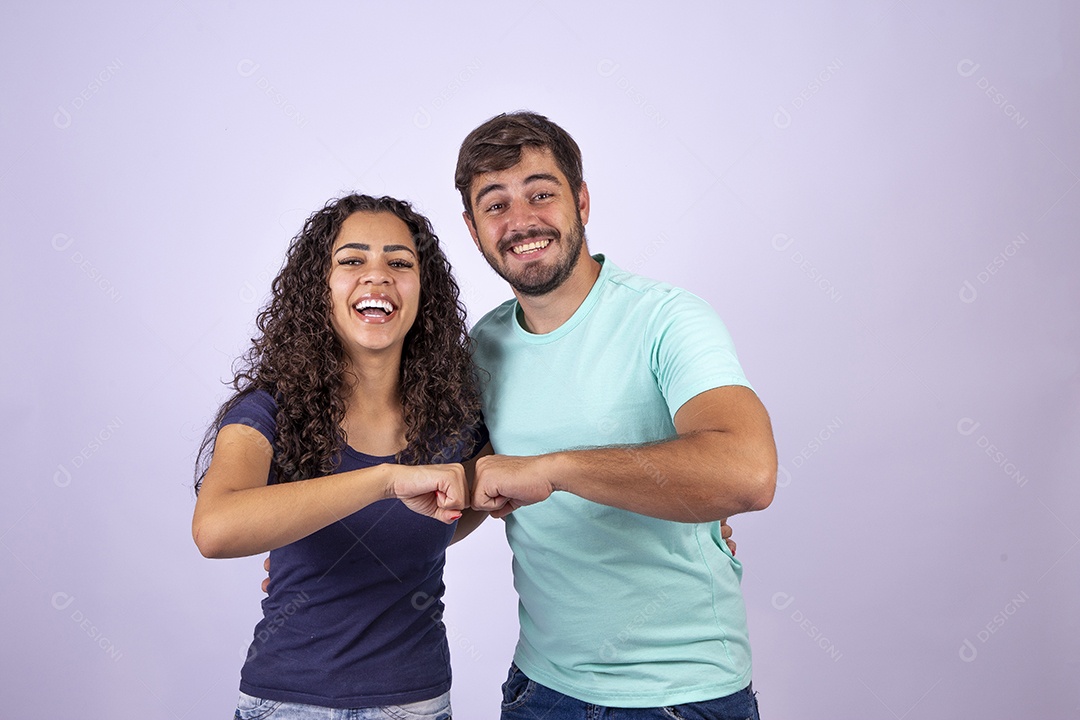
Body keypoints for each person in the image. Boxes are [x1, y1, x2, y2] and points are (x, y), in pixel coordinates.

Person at [455, 112, 778, 719]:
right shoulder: (483, 347)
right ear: (473, 230)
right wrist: (319, 560)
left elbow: (748, 473)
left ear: (581, 200)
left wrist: (555, 468)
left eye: (541, 194)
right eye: (495, 205)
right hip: (540, 692)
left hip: (681, 696)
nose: (521, 221)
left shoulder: (667, 318)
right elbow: (461, 494)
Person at [192, 194, 489, 719]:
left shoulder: (460, 414)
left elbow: (462, 504)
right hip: (286, 703)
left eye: (400, 263)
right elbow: (215, 529)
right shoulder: (268, 410)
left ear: (426, 291)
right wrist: (383, 482)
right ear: (319, 288)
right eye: (352, 261)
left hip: (416, 703)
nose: (377, 278)